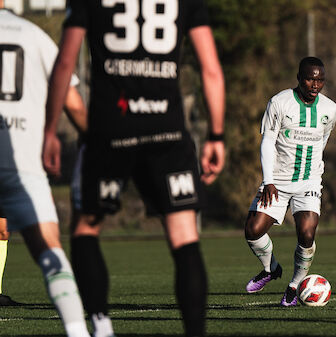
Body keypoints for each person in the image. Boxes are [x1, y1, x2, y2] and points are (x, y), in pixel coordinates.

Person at [43, 0, 226, 336]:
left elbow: (65, 62)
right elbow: (210, 68)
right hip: (167, 131)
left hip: (111, 130)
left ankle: (100, 325)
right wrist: (216, 134)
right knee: (185, 236)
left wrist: (50, 130)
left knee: (85, 228)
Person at [0, 3, 90, 336]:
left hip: (24, 164)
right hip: (23, 163)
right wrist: (95, 143)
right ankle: (78, 330)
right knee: (51, 252)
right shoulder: (34, 35)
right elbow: (74, 103)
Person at [244, 57, 336, 306]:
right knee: (253, 231)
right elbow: (267, 141)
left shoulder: (330, 109)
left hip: (308, 182)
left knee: (307, 234)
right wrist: (268, 180)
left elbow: (322, 141)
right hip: (277, 180)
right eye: (310, 78)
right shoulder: (279, 102)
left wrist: (314, 174)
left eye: (320, 79)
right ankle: (270, 269)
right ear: (298, 77)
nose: (315, 84)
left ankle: (294, 287)